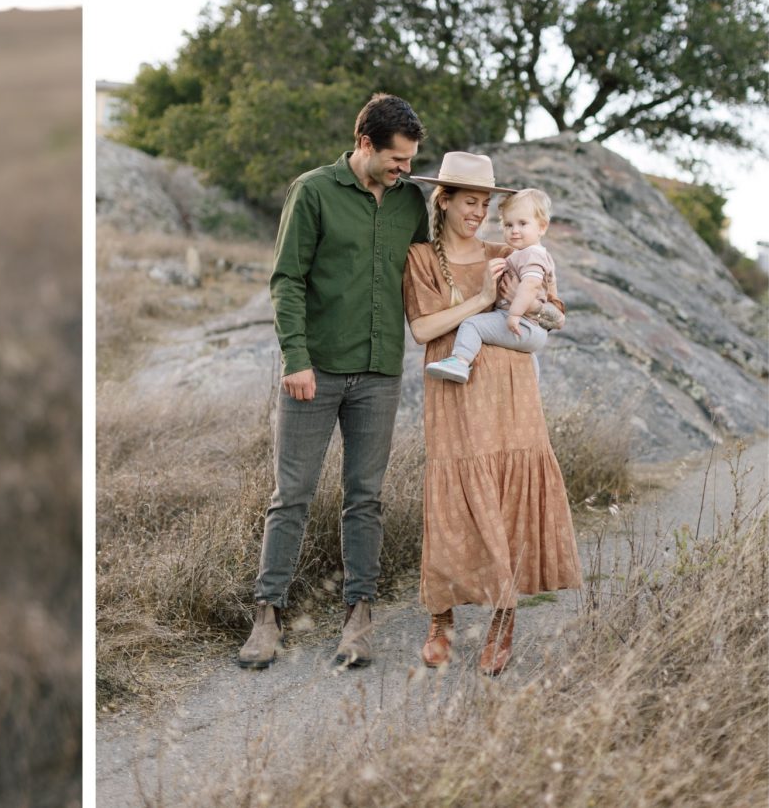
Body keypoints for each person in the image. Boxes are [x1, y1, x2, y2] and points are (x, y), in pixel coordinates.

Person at [239, 93, 430, 671]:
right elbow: (287, 279)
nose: (404, 170)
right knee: (290, 497)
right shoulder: (314, 191)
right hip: (314, 372)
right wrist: (295, 358)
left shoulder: (410, 203)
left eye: (411, 161)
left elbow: (429, 268)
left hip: (380, 374)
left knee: (365, 498)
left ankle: (358, 616)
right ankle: (268, 615)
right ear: (366, 144)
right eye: (397, 159)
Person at [403, 152, 582, 675]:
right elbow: (422, 330)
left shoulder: (509, 248)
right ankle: (441, 618)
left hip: (511, 392)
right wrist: (484, 297)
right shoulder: (420, 258)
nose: (479, 212)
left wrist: (535, 310)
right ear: (446, 200)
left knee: (505, 500)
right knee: (451, 499)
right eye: (470, 202)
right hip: (454, 389)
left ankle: (504, 620)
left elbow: (558, 315)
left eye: (486, 203)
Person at [423, 187, 564, 383]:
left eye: (522, 223)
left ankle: (460, 361)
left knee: (473, 324)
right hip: (523, 330)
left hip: (523, 324)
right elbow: (421, 331)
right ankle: (532, 383)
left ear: (542, 227)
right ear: (444, 202)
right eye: (508, 225)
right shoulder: (517, 253)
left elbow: (536, 291)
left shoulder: (532, 254)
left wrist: (516, 312)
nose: (514, 230)